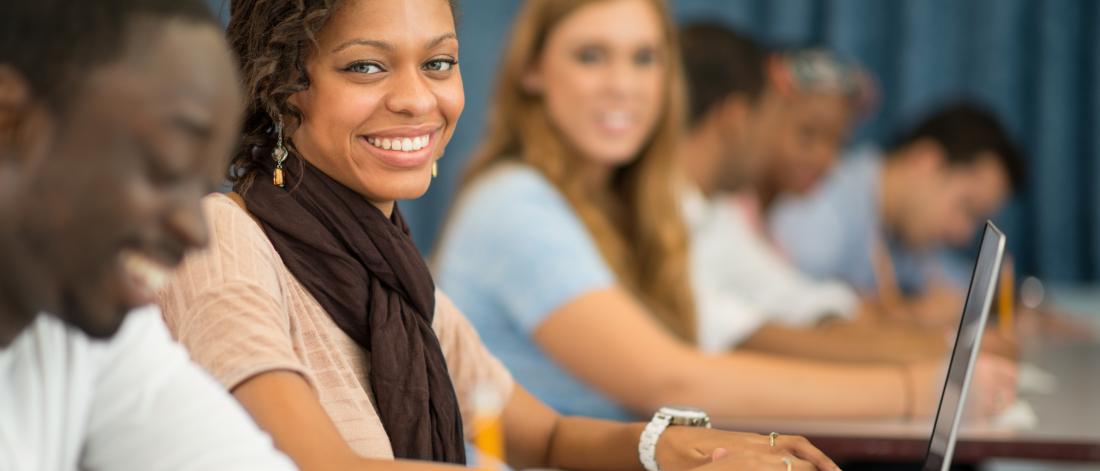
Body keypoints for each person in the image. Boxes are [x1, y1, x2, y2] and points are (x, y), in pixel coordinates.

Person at [155, 0, 839, 470]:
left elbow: (544, 435)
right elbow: (324, 465)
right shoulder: (223, 238)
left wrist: (690, 448)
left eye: (439, 63)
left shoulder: (392, 275)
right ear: (282, 88)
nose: (418, 99)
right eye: (366, 65)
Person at [433, 0, 1017, 423]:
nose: (623, 85)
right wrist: (920, 389)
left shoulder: (617, 204)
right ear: (533, 72)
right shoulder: (516, 204)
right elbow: (670, 377)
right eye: (592, 57)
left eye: (645, 59)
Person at [0, 0, 296, 469]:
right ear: (10, 123)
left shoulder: (87, 326)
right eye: (165, 171)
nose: (197, 231)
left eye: (202, 186)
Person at [677, 23, 959, 362]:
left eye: (838, 143)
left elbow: (790, 297)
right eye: (807, 134)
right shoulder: (715, 208)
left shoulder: (717, 210)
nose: (826, 159)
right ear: (737, 118)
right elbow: (739, 333)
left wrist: (929, 346)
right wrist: (925, 368)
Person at [769, 103, 1027, 326]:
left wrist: (1012, 305)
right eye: (966, 208)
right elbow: (788, 307)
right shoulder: (824, 205)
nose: (963, 234)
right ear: (925, 161)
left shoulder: (902, 232)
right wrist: (909, 316)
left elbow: (961, 281)